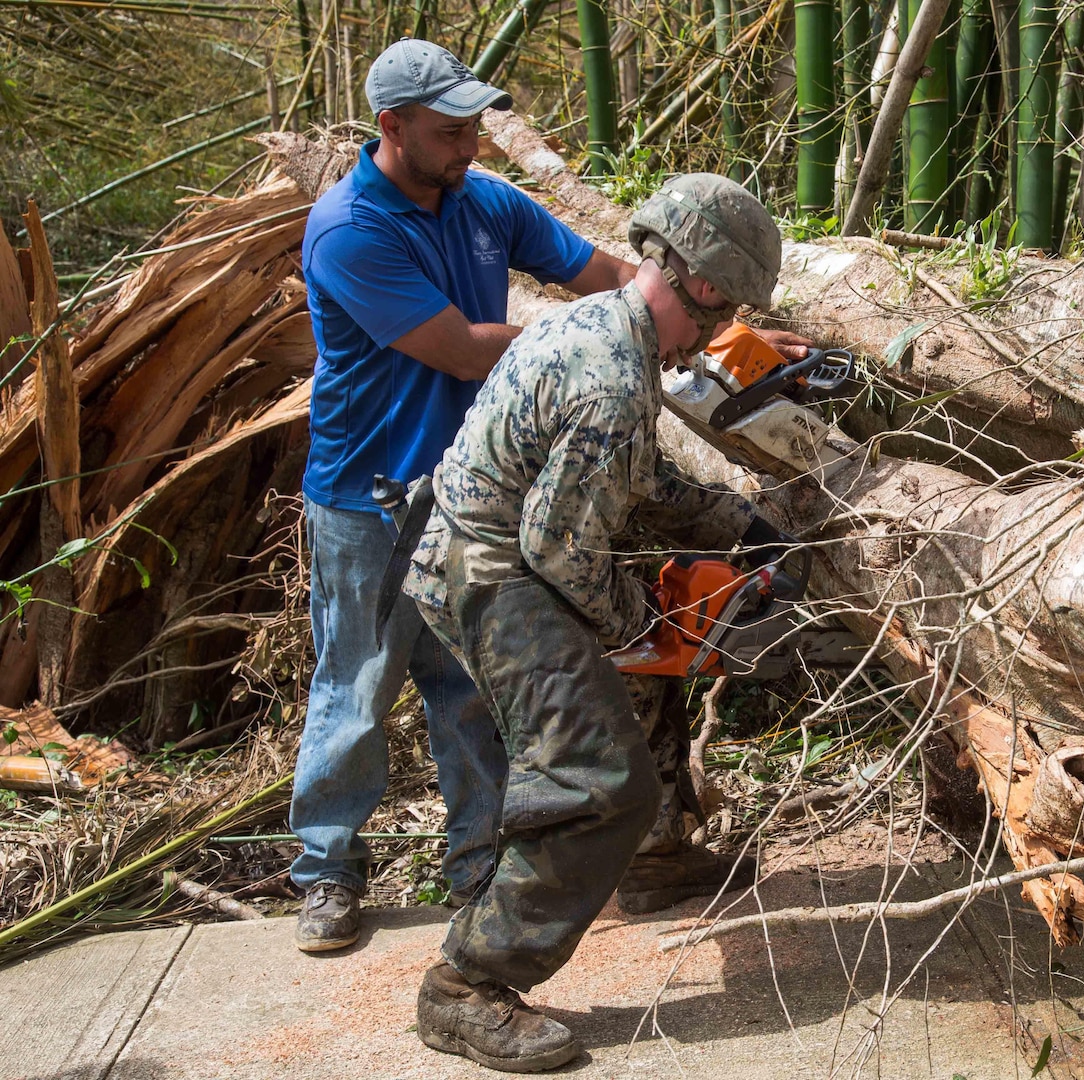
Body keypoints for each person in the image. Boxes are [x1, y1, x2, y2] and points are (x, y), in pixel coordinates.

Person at [292, 38, 803, 953]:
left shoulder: (483, 201)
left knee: (474, 699)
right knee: (357, 691)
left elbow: (612, 277)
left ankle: (480, 866)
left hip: (479, 487)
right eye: (451, 132)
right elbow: (455, 347)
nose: (472, 147)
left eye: (478, 127)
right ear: (392, 127)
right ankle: (327, 872)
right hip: (371, 490)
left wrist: (721, 334)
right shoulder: (349, 230)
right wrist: (597, 339)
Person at [398, 174, 788, 1071]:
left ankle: (651, 863)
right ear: (700, 282)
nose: (719, 328)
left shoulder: (598, 324)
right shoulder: (615, 374)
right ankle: (466, 983)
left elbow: (637, 479)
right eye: (724, 307)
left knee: (642, 695)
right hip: (493, 573)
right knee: (597, 774)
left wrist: (740, 524)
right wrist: (646, 624)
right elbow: (561, 549)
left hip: (487, 547)